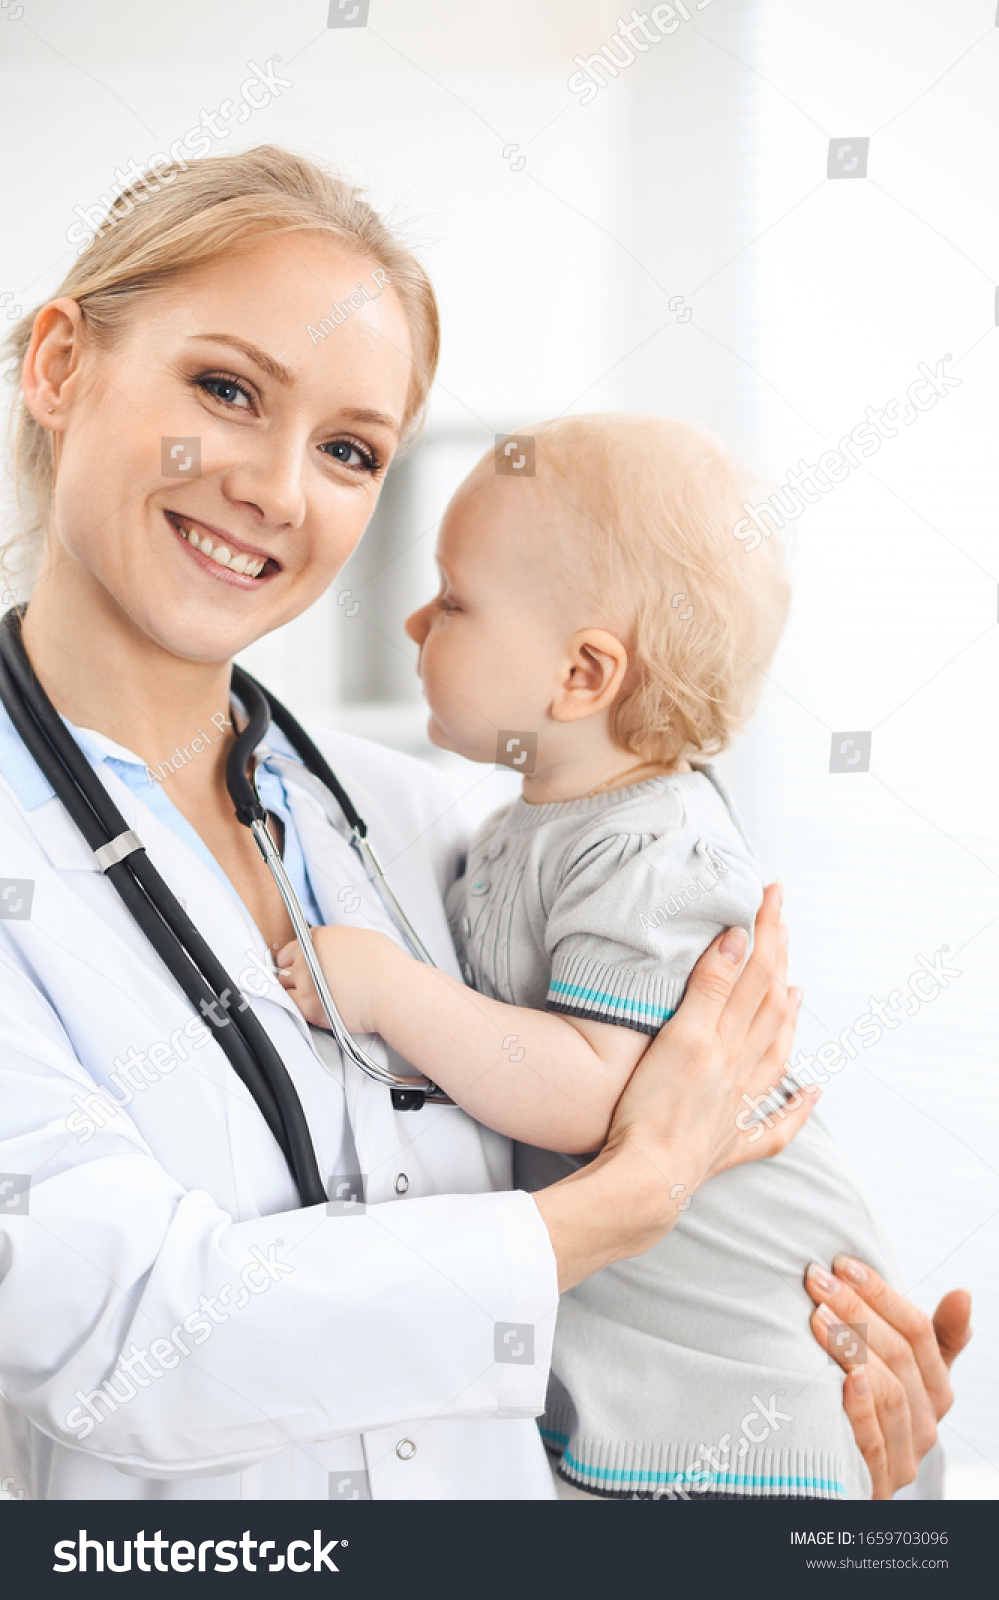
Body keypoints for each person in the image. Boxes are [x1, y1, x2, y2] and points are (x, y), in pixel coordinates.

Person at [0, 146, 968, 1501]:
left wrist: (847, 1416)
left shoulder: (443, 827)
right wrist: (605, 1210)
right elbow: (130, 1342)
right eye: (225, 390)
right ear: (58, 367)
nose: (278, 492)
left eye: (347, 450)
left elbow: (700, 1227)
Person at [275, 413, 947, 1498]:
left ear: (582, 675)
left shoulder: (653, 849)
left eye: (452, 600)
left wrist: (389, 990)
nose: (412, 619)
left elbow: (594, 1093)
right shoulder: (526, 829)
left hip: (751, 1391)